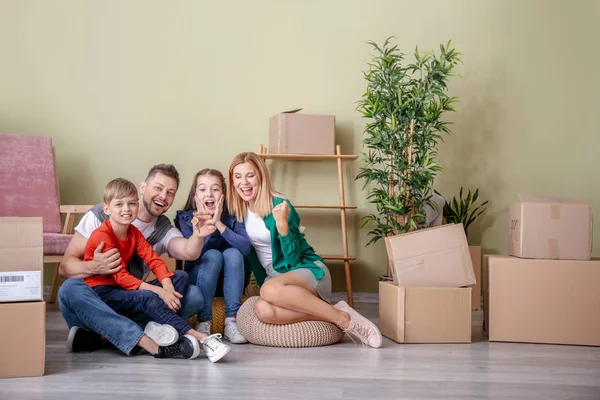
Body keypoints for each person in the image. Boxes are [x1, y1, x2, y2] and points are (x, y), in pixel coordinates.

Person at [57, 164, 221, 358]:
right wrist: (91, 266)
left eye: (170, 192)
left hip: (131, 299)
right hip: (96, 302)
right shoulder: (100, 219)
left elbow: (185, 252)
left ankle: (104, 336)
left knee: (190, 292)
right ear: (143, 187)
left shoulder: (153, 229)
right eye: (158, 188)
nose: (163, 196)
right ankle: (149, 339)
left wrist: (198, 235)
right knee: (69, 287)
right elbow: (65, 266)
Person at [227, 152, 383, 348]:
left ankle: (345, 321)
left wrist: (282, 225)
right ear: (232, 181)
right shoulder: (237, 213)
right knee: (263, 310)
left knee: (269, 289)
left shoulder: (280, 206)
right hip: (277, 282)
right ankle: (332, 313)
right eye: (238, 176)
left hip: (306, 270)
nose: (244, 182)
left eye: (250, 175)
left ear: (261, 176)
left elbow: (292, 260)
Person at [176, 169, 251, 344]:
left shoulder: (233, 216)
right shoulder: (186, 218)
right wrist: (205, 226)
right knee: (213, 255)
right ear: (195, 195)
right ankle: (204, 321)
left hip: (231, 282)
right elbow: (193, 256)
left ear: (223, 194)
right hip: (200, 278)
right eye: (202, 189)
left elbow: (245, 248)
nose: (209, 194)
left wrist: (218, 223)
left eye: (215, 189)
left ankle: (231, 321)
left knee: (233, 252)